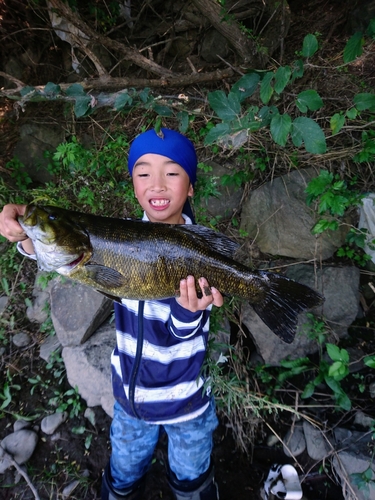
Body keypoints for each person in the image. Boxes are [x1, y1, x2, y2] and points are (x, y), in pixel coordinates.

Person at [0, 128, 223, 500]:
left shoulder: (194, 252)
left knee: (190, 477)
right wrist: (25, 233)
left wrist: (188, 313)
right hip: (130, 398)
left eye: (172, 173)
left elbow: (187, 333)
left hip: (186, 403)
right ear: (133, 185)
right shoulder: (114, 237)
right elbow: (61, 250)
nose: (157, 184)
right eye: (143, 173)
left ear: (191, 188)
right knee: (124, 469)